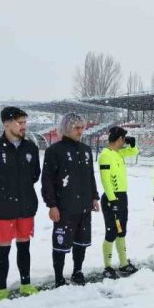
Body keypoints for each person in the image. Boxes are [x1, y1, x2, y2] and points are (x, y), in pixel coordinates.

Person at [0, 107, 42, 301]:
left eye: (24, 123)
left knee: (24, 247)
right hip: (3, 209)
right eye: (19, 123)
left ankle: (26, 284)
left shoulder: (31, 148)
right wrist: (0, 191)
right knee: (3, 249)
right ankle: (2, 290)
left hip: (26, 206)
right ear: (6, 124)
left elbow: (35, 175)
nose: (23, 126)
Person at [41, 113, 99, 287]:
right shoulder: (54, 151)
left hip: (83, 205)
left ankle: (77, 271)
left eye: (82, 127)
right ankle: (59, 276)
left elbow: (90, 176)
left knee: (81, 241)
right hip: (64, 206)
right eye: (77, 128)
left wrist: (94, 196)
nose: (81, 131)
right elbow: (47, 180)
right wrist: (52, 205)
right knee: (61, 243)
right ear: (67, 128)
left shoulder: (86, 150)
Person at [96, 126, 139, 279]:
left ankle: (123, 264)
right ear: (119, 139)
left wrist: (133, 144)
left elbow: (134, 152)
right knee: (111, 232)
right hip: (111, 198)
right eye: (124, 139)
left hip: (122, 197)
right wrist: (112, 199)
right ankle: (107, 266)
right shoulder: (106, 155)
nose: (124, 142)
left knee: (122, 231)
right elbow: (105, 179)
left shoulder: (118, 153)